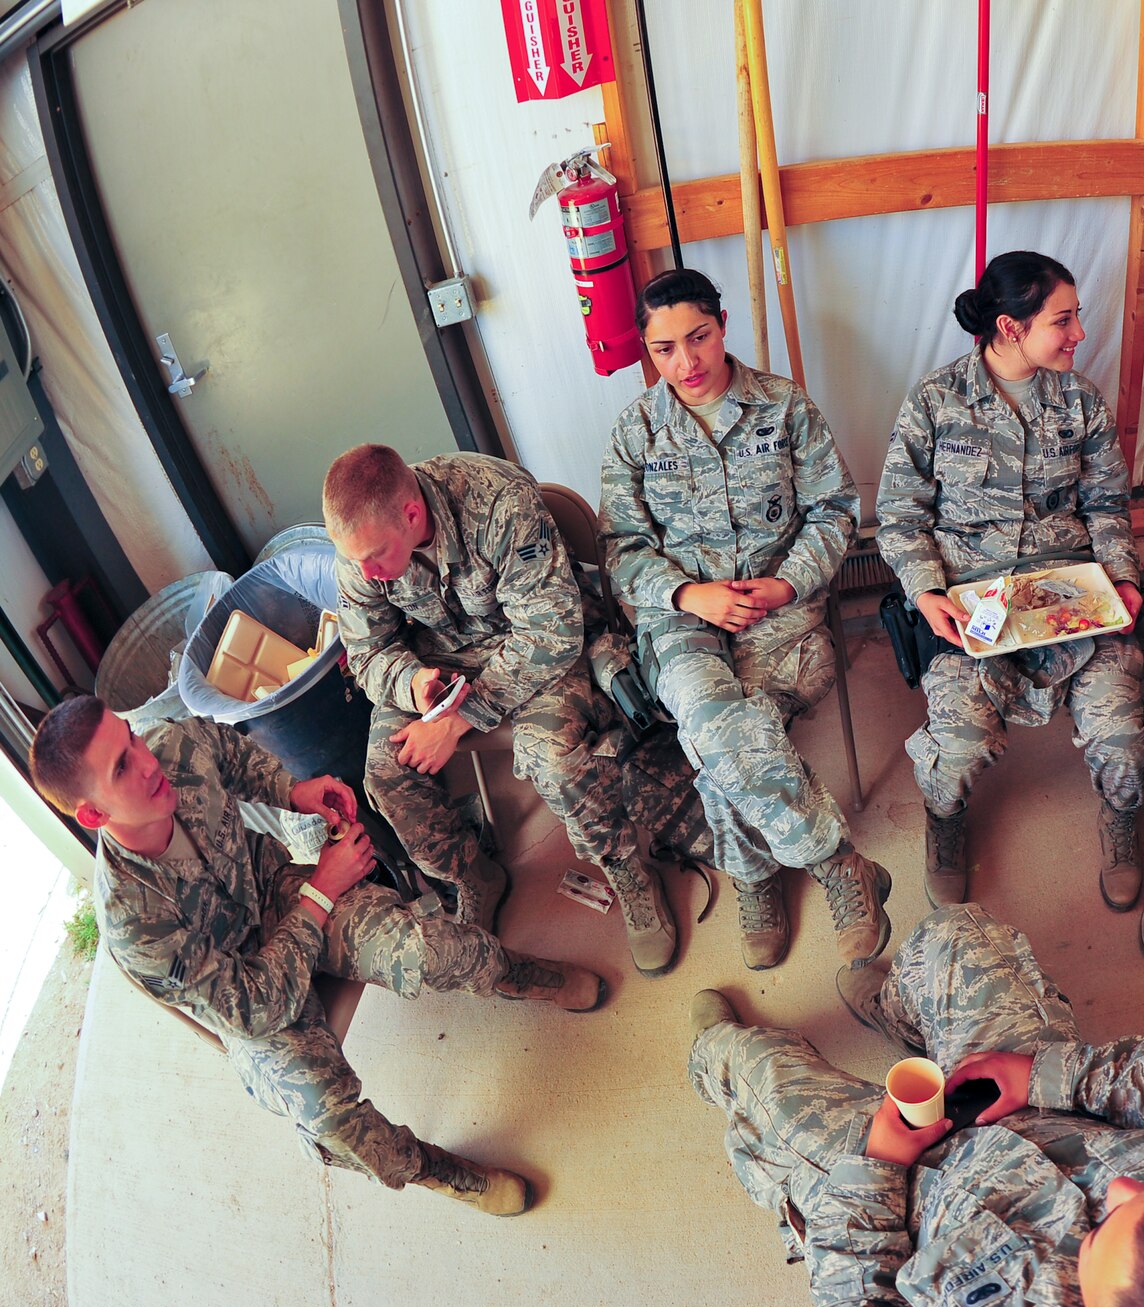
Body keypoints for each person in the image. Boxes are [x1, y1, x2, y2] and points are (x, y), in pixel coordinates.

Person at [30, 696, 610, 1215]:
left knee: (432, 948)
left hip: (274, 895)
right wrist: (322, 890)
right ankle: (441, 1174)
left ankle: (524, 976)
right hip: (252, 998)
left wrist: (292, 791)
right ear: (93, 815)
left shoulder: (173, 744)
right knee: (330, 1120)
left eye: (128, 738)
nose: (147, 760)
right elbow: (255, 1007)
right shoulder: (135, 920)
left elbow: (230, 754)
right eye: (121, 767)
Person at [686, 903, 1144, 1307]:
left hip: (895, 1201)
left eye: (1109, 1227)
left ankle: (714, 1055)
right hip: (1036, 1102)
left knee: (759, 1072)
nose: (1121, 1187)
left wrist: (879, 1167)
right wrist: (1043, 1073)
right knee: (956, 932)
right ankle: (900, 1009)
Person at [601, 267, 889, 972]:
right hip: (682, 620)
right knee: (711, 718)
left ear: (723, 324)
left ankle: (754, 874)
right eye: (664, 349)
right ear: (648, 351)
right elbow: (621, 548)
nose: (686, 362)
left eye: (697, 338)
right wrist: (687, 596)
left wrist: (786, 586)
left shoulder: (784, 408)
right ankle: (835, 860)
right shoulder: (637, 430)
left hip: (779, 613)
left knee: (718, 735)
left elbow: (836, 510)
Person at [325, 444, 679, 977]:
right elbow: (366, 650)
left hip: (533, 645)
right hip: (441, 656)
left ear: (412, 515)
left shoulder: (497, 501)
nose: (367, 573)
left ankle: (626, 869)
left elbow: (553, 632)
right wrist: (412, 680)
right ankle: (473, 874)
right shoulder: (360, 549)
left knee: (553, 757)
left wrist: (461, 718)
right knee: (384, 770)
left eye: (375, 557)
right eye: (356, 561)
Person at [877, 252, 1144, 911]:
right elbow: (898, 515)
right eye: (1064, 320)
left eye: (1077, 316)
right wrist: (926, 592)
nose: (1080, 333)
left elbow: (1108, 507)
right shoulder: (937, 402)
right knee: (959, 747)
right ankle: (944, 820)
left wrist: (1123, 577)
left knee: (1124, 738)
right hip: (973, 602)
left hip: (1069, 595)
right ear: (1010, 326)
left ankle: (1120, 813)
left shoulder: (1081, 402)